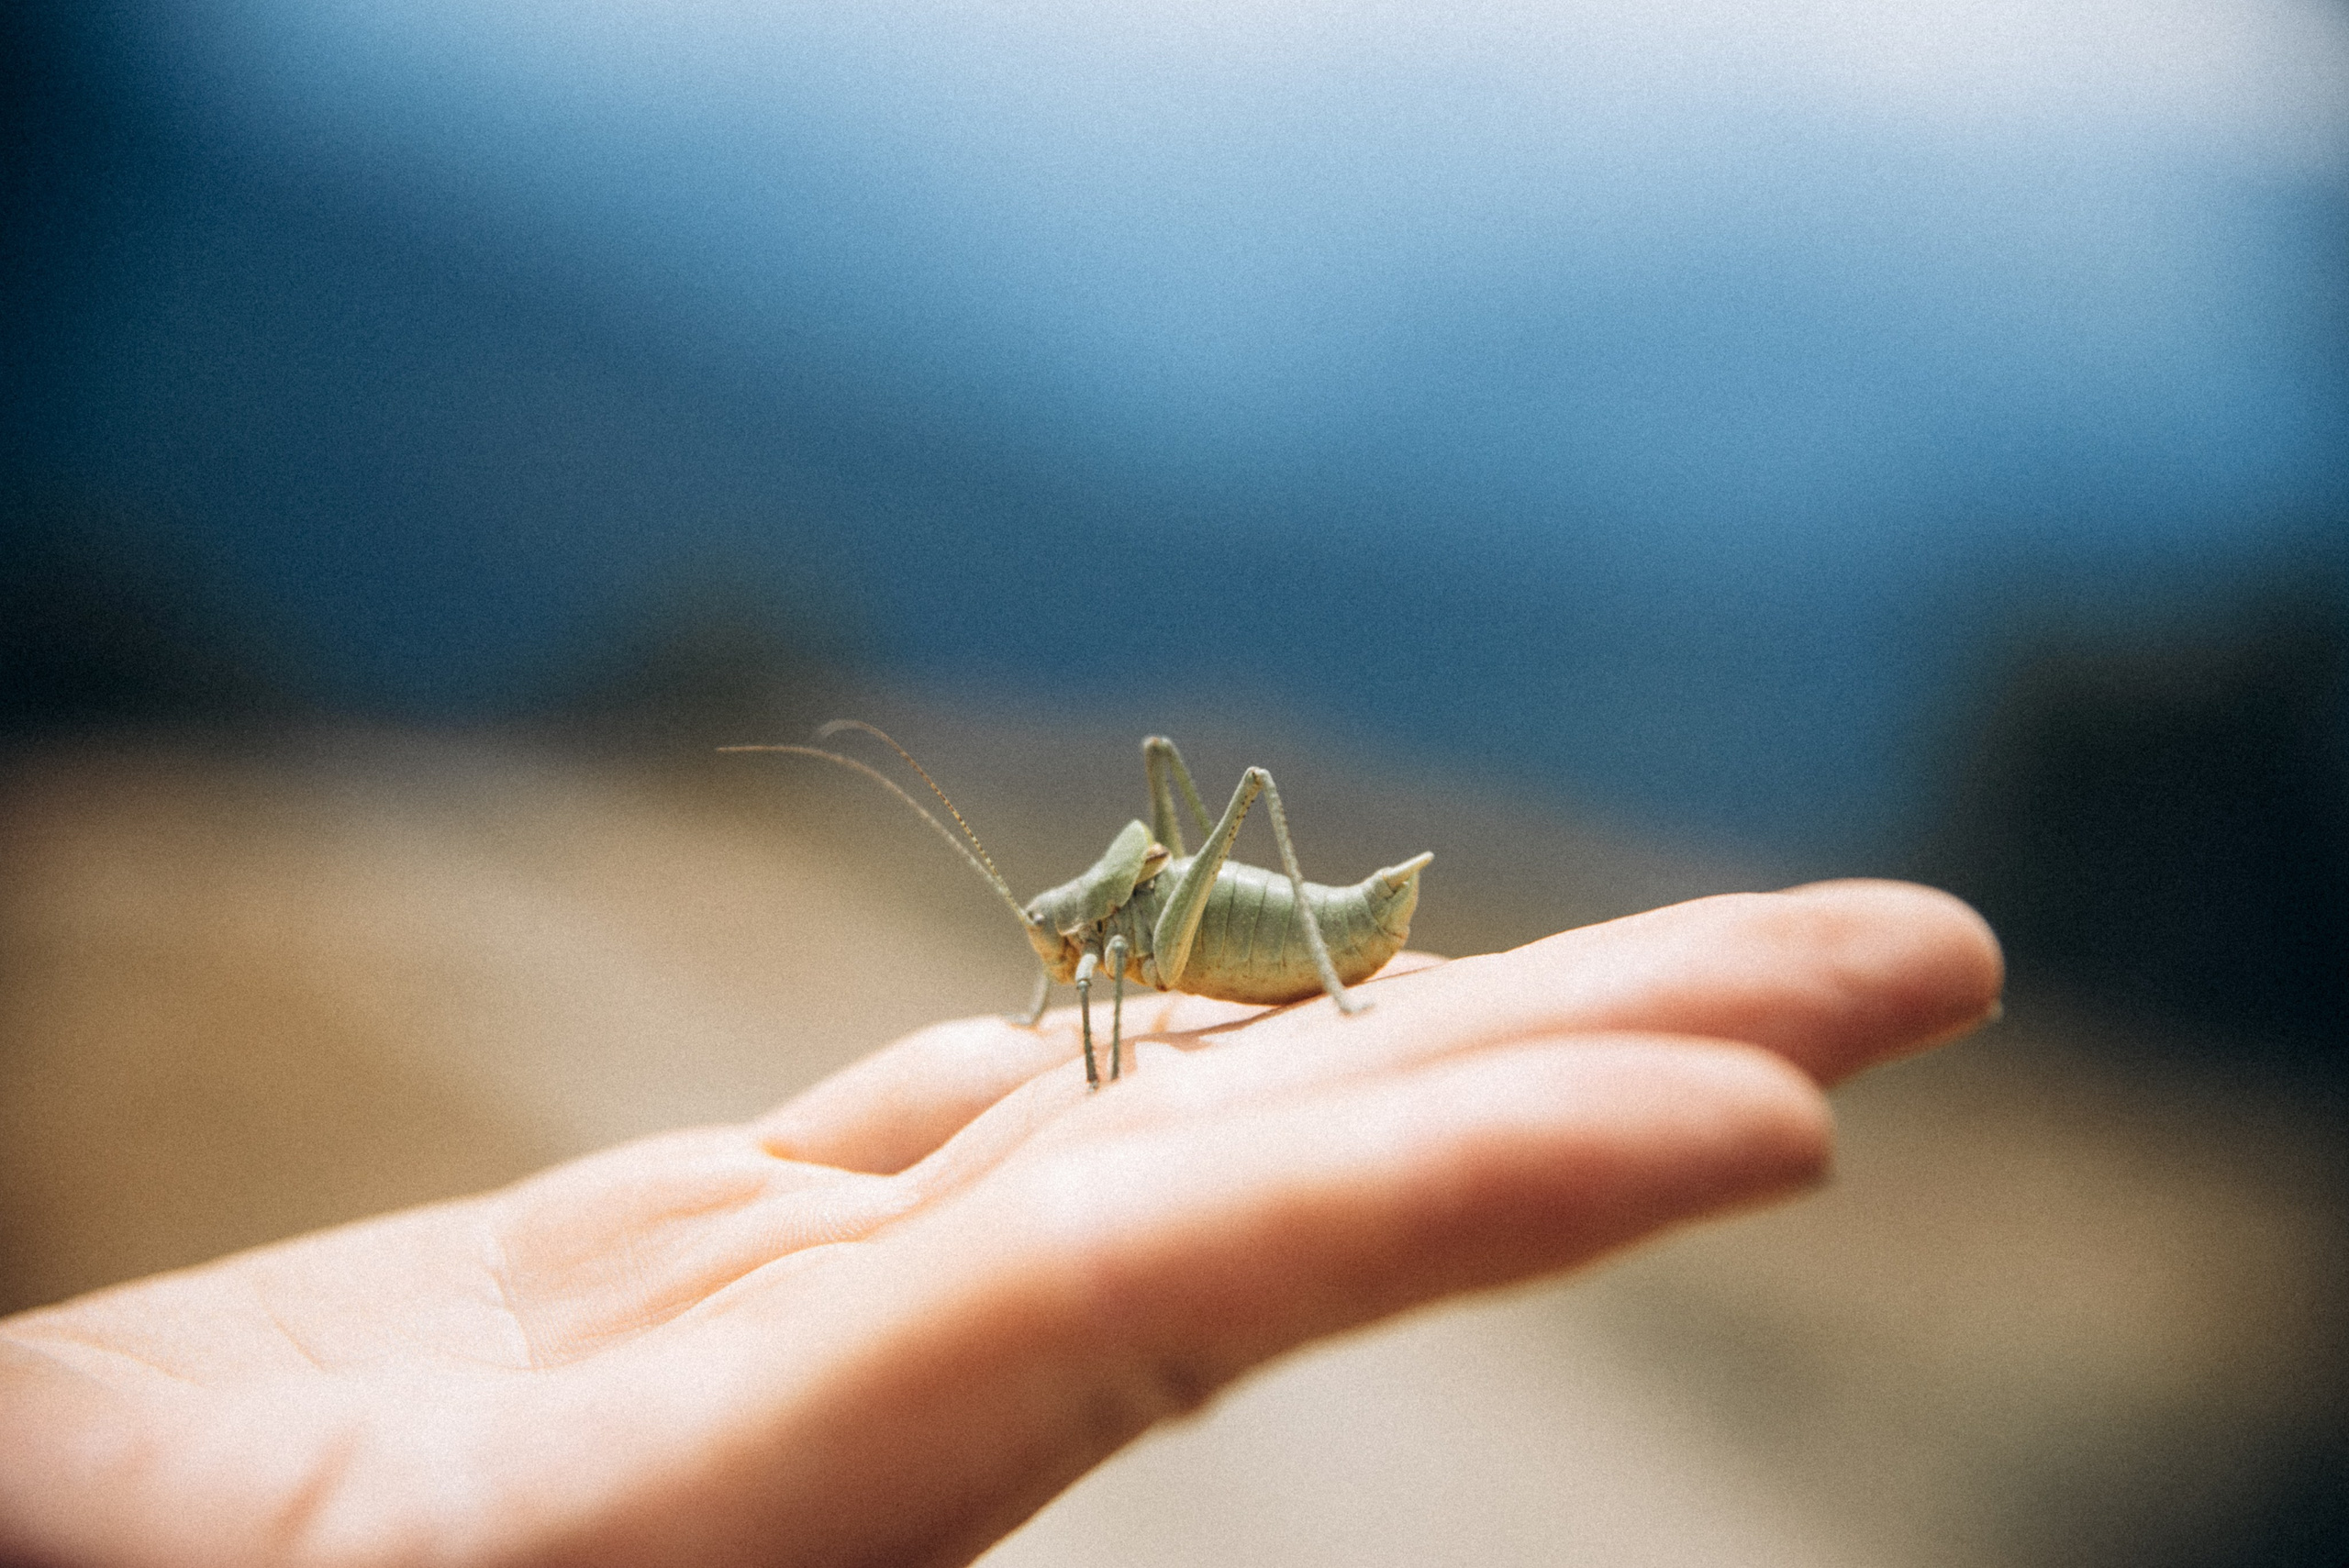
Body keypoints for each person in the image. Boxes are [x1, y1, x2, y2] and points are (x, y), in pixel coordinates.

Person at [0, 880, 1999, 1568]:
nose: (1062, 961)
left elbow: (1104, 968)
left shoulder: (1121, 924)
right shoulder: (1088, 940)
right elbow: (1087, 981)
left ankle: (1324, 945)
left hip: (1297, 927)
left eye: (1067, 948)